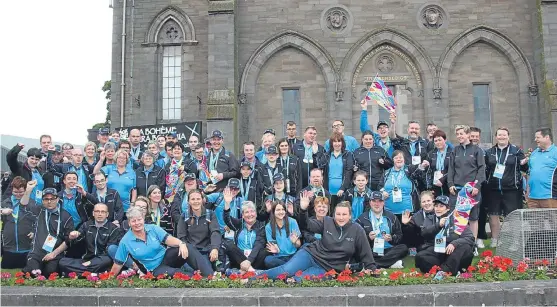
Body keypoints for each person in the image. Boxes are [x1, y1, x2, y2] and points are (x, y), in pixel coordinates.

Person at [252, 200, 377, 280]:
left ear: (350, 216)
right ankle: (253, 277)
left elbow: (365, 252)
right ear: (334, 215)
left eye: (344, 214)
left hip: (327, 267)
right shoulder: (327, 222)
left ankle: (285, 278)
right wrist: (303, 210)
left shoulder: (357, 230)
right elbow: (307, 224)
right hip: (311, 254)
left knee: (298, 279)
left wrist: (371, 268)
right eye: (338, 214)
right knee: (286, 270)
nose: (341, 217)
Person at [110, 207, 211, 277]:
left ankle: (210, 276)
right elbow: (118, 263)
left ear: (143, 219)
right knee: (180, 274)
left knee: (187, 247)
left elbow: (168, 239)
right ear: (129, 223)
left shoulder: (152, 228)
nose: (137, 223)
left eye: (139, 219)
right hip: (154, 269)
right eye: (133, 221)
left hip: (166, 257)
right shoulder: (125, 241)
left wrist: (181, 243)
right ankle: (198, 279)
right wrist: (109, 280)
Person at [485, 127, 528, 248]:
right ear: (496, 137)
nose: (502, 137)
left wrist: (525, 163)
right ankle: (495, 239)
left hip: (512, 189)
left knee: (513, 216)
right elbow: (486, 170)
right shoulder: (490, 152)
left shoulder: (516, 151)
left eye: (504, 135)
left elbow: (524, 169)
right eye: (499, 135)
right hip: (494, 189)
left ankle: (515, 241)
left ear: (508, 136)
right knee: (493, 214)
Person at [447, 125, 485, 252]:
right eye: (457, 134)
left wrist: (477, 185)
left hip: (471, 190)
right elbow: (451, 169)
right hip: (457, 190)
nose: (459, 136)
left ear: (468, 135)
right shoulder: (455, 150)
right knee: (456, 218)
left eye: (461, 133)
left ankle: (472, 246)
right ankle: (457, 245)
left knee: (473, 218)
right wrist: (450, 184)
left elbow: (481, 169)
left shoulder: (477, 150)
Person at [414, 195, 475, 276]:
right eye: (436, 206)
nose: (438, 209)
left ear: (448, 208)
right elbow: (424, 233)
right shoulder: (429, 218)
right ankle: (449, 271)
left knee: (465, 248)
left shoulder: (458, 219)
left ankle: (444, 272)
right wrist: (438, 225)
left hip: (453, 252)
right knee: (420, 256)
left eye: (441, 206)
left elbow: (470, 237)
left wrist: (454, 243)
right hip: (437, 250)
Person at [22, 188, 74, 277]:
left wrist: (54, 254)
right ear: (42, 201)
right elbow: (23, 204)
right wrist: (28, 190)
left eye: (52, 199)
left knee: (50, 273)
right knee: (33, 272)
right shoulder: (38, 210)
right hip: (37, 252)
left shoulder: (66, 216)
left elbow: (68, 240)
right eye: (46, 199)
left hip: (55, 253)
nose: (49, 202)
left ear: (57, 199)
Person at [58, 203, 120, 275]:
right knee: (62, 262)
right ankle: (96, 273)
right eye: (97, 211)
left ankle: (81, 272)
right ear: (93, 213)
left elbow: (109, 250)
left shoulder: (113, 228)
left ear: (107, 214)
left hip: (102, 260)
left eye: (103, 212)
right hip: (87, 259)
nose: (100, 214)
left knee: (106, 260)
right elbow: (74, 242)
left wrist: (93, 262)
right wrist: (72, 237)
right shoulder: (86, 225)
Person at [356, 191, 407, 269]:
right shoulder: (362, 218)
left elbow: (399, 235)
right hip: (371, 250)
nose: (377, 204)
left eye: (380, 201)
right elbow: (357, 240)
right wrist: (368, 238)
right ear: (370, 202)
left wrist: (391, 238)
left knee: (403, 248)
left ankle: (375, 264)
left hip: (388, 250)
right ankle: (390, 263)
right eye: (374, 201)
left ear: (383, 203)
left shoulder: (392, 217)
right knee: (359, 253)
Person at [176, 189, 220, 276]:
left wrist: (215, 248)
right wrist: (184, 246)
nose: (196, 201)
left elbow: (215, 232)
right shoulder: (184, 216)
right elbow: (181, 236)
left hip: (206, 250)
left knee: (208, 272)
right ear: (188, 201)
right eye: (193, 199)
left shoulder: (210, 214)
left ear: (202, 200)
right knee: (189, 271)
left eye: (198, 199)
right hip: (191, 252)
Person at [0, 177, 40, 269]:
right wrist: (2, 211)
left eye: (21, 192)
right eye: (15, 192)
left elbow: (39, 220)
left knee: (26, 274)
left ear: (25, 190)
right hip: (9, 246)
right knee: (7, 274)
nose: (18, 194)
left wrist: (34, 231)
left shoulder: (32, 204)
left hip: (27, 246)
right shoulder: (5, 203)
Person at [223, 199, 267, 272]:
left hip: (255, 259)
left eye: (252, 211)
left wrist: (248, 261)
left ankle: (244, 269)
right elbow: (227, 219)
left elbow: (258, 244)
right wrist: (227, 204)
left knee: (264, 251)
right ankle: (250, 270)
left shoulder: (261, 226)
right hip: (239, 259)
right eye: (246, 212)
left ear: (256, 214)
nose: (250, 214)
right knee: (229, 244)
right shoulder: (239, 224)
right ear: (243, 215)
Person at [381, 150, 427, 217]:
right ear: (393, 160)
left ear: (404, 159)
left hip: (407, 211)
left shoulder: (409, 169)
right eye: (396, 158)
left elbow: (417, 173)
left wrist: (422, 167)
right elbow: (380, 186)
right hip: (389, 211)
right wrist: (382, 192)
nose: (399, 159)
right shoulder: (386, 172)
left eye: (400, 157)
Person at [317, 132, 355, 208]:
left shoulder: (348, 155)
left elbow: (349, 173)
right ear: (331, 143)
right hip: (328, 191)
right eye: (335, 141)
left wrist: (342, 188)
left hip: (342, 191)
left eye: (339, 141)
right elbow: (320, 169)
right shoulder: (326, 155)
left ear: (342, 143)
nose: (337, 144)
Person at [264, 200, 301, 268]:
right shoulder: (268, 227)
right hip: (279, 258)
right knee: (268, 260)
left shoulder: (293, 222)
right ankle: (290, 268)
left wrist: (295, 242)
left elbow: (298, 245)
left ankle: (286, 268)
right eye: (278, 210)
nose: (281, 212)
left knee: (303, 255)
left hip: (293, 256)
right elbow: (274, 246)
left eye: (283, 209)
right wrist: (276, 250)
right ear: (273, 212)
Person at [527, 127, 557, 208]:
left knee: (552, 220)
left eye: (538, 137)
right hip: (532, 198)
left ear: (547, 137)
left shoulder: (555, 152)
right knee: (533, 221)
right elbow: (529, 173)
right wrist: (527, 193)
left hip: (550, 197)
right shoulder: (534, 153)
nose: (535, 139)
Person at [425, 130, 452, 197]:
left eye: (440, 140)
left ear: (445, 140)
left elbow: (454, 169)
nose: (438, 142)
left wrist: (443, 179)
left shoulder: (452, 152)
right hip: (436, 184)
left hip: (448, 184)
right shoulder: (431, 154)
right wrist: (429, 187)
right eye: (436, 141)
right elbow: (429, 172)